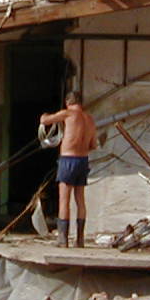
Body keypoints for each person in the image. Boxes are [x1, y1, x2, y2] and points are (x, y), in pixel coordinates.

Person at [39, 91, 98, 247]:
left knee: (64, 199)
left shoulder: (68, 113)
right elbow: (93, 145)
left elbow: (45, 121)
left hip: (68, 159)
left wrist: (44, 116)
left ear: (67, 102)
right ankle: (80, 239)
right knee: (80, 200)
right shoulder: (90, 119)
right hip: (83, 160)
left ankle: (63, 239)